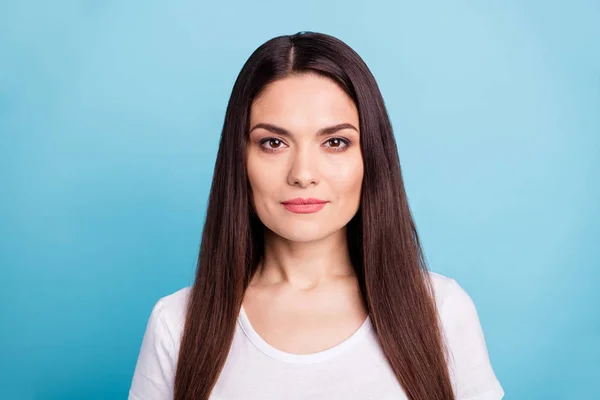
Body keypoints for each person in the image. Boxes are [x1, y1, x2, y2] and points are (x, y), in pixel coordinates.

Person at [128, 31, 504, 400]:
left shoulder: (441, 311)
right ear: (239, 160)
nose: (303, 173)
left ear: (370, 157)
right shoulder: (178, 324)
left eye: (335, 142)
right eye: (273, 143)